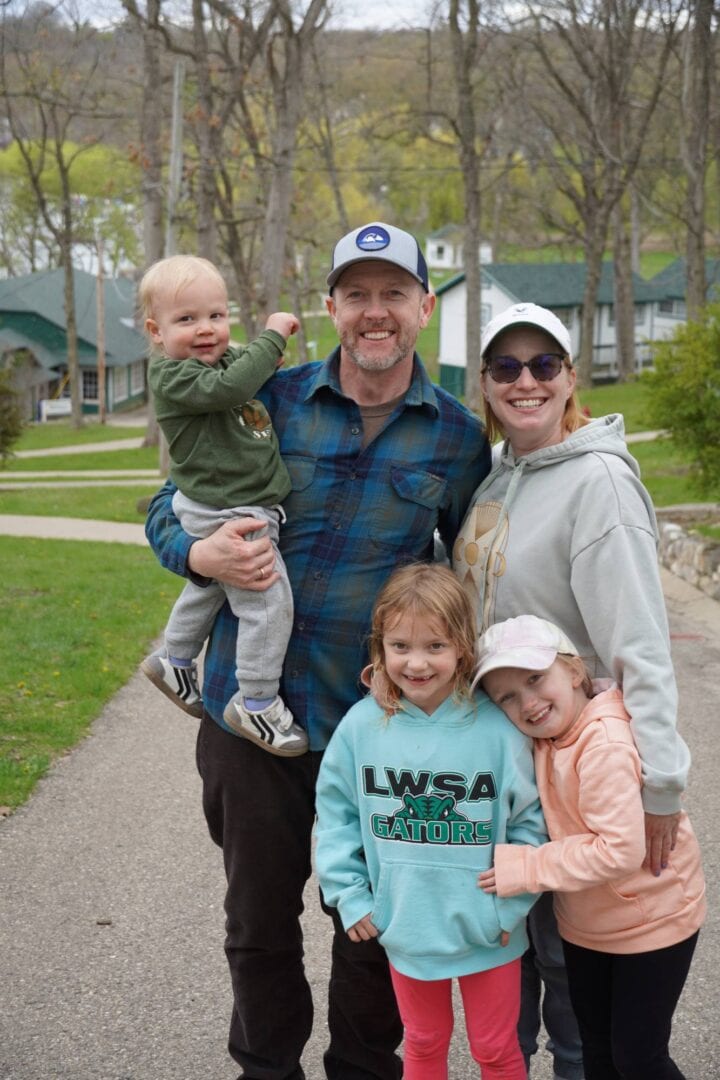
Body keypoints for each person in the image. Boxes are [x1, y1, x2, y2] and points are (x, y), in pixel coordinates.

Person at [144, 222, 492, 1080]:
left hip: (378, 730)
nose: (376, 313)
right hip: (247, 718)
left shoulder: (454, 437)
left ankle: (364, 1072)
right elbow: (167, 503)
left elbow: (477, 575)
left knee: (372, 929)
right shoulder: (267, 395)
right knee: (258, 925)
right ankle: (266, 1069)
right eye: (357, 295)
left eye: (394, 295)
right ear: (332, 306)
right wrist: (197, 554)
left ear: (422, 307)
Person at [452, 301, 692, 1080]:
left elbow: (640, 644)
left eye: (543, 365)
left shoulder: (598, 486)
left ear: (569, 377)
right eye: (506, 368)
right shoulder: (498, 477)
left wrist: (661, 780)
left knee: (572, 990)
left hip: (573, 776)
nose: (525, 381)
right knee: (511, 970)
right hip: (507, 770)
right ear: (484, 383)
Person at [315, 563, 547, 1080]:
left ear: (463, 646)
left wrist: (509, 905)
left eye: (435, 647)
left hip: (490, 931)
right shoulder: (360, 726)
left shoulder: (499, 729)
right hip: (406, 926)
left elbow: (531, 822)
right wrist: (350, 896)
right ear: (380, 648)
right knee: (421, 1043)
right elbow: (335, 817)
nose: (416, 663)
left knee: (495, 1048)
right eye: (400, 646)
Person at [476, 614, 705, 1080]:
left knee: (639, 1059)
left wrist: (527, 867)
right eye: (508, 697)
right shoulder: (548, 737)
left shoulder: (602, 742)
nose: (529, 702)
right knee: (597, 1050)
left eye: (536, 678)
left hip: (651, 924)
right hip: (588, 926)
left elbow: (619, 851)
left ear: (576, 671)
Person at [138, 254, 307, 755]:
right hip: (227, 510)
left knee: (212, 588)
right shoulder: (173, 375)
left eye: (216, 315)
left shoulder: (215, 362)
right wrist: (273, 334)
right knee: (269, 602)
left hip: (228, 505)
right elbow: (232, 386)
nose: (206, 329)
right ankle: (256, 702)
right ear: (156, 331)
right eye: (186, 319)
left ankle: (175, 657)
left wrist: (265, 357)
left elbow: (242, 370)